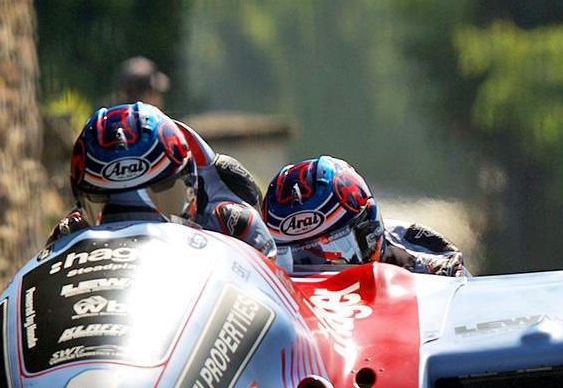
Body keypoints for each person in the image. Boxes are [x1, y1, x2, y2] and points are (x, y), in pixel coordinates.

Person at [48, 102, 277, 261]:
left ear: (192, 185)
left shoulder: (233, 223)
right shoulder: (69, 232)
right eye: (108, 208)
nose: (133, 227)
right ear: (81, 202)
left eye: (162, 196)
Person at [261, 156, 467, 277]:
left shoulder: (434, 265)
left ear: (369, 231)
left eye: (334, 255)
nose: (315, 273)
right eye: (295, 260)